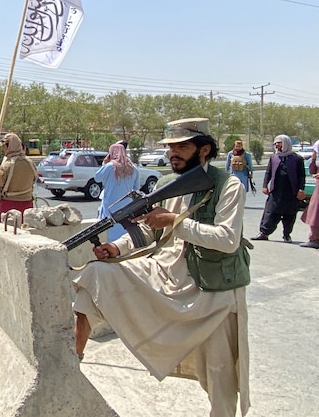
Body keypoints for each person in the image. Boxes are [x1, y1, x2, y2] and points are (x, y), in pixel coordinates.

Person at [72, 118, 250, 417]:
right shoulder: (168, 185)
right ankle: (72, 359)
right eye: (171, 148)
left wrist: (175, 222)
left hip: (213, 290)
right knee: (94, 274)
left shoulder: (229, 186)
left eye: (183, 146)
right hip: (167, 274)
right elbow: (149, 233)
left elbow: (227, 240)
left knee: (219, 374)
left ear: (204, 149)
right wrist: (117, 248)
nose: (174, 153)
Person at [252, 135, 306, 243]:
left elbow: (301, 175)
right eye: (276, 143)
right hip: (276, 191)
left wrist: (301, 189)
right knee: (270, 212)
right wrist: (264, 185)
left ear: (286, 143)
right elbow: (268, 172)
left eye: (279, 143)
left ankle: (287, 235)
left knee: (289, 214)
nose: (277, 145)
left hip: (291, 192)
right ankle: (264, 233)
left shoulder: (297, 158)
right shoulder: (274, 157)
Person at [94, 142, 140, 242]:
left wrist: (104, 163)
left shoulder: (109, 166)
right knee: (123, 230)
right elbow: (136, 188)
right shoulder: (134, 168)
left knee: (109, 229)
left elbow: (97, 178)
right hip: (126, 205)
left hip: (110, 204)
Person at [0, 133, 38, 218]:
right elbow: (34, 180)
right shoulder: (30, 163)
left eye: (4, 146)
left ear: (8, 146)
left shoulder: (7, 165)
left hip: (9, 206)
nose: (3, 149)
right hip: (27, 205)